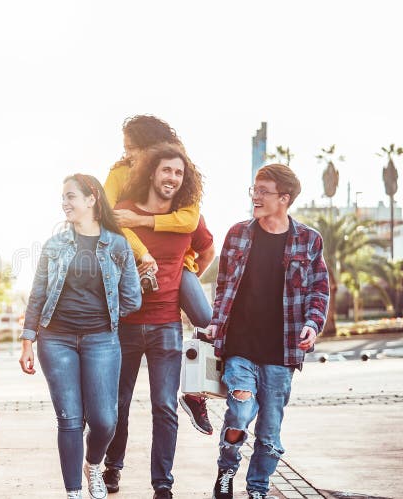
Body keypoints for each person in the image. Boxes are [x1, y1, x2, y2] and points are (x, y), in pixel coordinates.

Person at [205, 164, 329, 499]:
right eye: (254, 190)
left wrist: (312, 324)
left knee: (270, 432)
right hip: (240, 348)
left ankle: (258, 489)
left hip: (282, 352)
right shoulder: (238, 234)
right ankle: (227, 470)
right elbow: (223, 287)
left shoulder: (308, 240)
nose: (256, 197)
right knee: (239, 414)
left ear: (284, 199)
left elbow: (319, 290)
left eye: (264, 191)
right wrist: (217, 321)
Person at [19, 174, 141, 499]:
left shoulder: (117, 244)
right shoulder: (55, 244)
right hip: (55, 340)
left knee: (104, 420)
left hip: (101, 340)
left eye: (71, 196)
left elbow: (132, 297)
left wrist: (105, 313)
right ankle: (74, 492)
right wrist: (27, 340)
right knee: (70, 418)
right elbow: (38, 295)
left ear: (92, 200)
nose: (65, 203)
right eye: (63, 197)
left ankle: (93, 465)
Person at [103, 144, 213, 499]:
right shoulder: (123, 212)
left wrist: (188, 273)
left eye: (179, 173)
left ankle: (162, 483)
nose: (172, 178)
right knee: (118, 403)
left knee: (164, 406)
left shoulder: (186, 218)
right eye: (167, 170)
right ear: (152, 172)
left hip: (168, 326)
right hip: (127, 325)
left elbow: (207, 247)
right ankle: (112, 467)